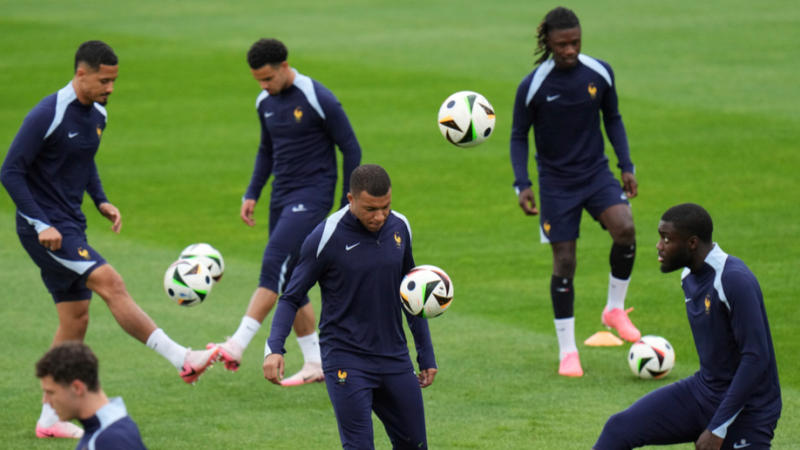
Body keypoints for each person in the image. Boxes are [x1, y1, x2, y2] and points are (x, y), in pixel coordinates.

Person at [1, 40, 220, 439]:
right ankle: (183, 358)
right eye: (103, 80)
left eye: (114, 80)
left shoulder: (98, 113)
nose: (110, 88)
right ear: (81, 73)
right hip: (47, 232)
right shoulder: (48, 112)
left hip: (72, 223)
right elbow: (10, 170)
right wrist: (39, 223)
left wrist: (101, 200)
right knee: (111, 283)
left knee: (75, 320)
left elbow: (84, 160)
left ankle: (49, 419)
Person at [209, 38, 361, 386]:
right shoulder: (265, 102)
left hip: (313, 195)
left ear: (284, 66)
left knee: (274, 262)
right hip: (282, 196)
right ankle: (316, 362)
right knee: (295, 278)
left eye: (268, 78)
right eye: (258, 80)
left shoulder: (317, 97)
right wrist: (253, 192)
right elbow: (266, 150)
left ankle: (236, 344)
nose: (264, 86)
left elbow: (351, 147)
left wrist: (344, 205)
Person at [264, 164, 437, 448]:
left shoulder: (400, 227)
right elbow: (291, 296)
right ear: (351, 199)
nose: (380, 216)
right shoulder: (326, 237)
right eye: (370, 209)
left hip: (394, 357)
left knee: (415, 445)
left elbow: (412, 295)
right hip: (347, 359)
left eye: (386, 207)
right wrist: (275, 348)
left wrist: (426, 354)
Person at [509, 6, 640, 377]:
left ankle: (615, 309)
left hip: (596, 173)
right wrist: (523, 184)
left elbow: (613, 118)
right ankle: (568, 351)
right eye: (562, 44)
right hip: (556, 184)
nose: (570, 50)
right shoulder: (533, 85)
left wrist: (626, 165)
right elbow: (519, 136)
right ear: (548, 43)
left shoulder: (599, 72)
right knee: (565, 261)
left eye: (575, 43)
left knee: (626, 228)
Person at [594, 203, 782, 449]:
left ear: (692, 243)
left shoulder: (733, 280)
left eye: (666, 239)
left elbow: (756, 358)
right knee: (618, 429)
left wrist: (718, 427)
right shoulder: (688, 277)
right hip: (704, 392)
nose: (659, 246)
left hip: (748, 409)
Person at [36, 341, 147, 449]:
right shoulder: (106, 426)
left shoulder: (110, 439)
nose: (45, 401)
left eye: (51, 392)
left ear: (77, 388)